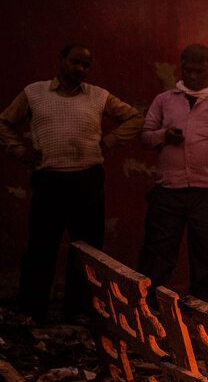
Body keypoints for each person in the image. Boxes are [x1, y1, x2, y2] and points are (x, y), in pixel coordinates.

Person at [0, 43, 143, 324]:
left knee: (87, 250)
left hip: (87, 180)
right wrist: (20, 151)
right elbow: (3, 123)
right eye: (75, 62)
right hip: (49, 180)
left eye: (86, 65)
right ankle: (32, 311)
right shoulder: (34, 93)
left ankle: (79, 311)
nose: (81, 69)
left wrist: (110, 141)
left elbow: (135, 118)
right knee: (41, 247)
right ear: (61, 59)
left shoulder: (98, 96)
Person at [139, 44, 208, 305]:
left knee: (204, 255)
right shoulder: (164, 100)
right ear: (181, 67)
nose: (194, 76)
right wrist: (165, 135)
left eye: (200, 70)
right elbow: (144, 136)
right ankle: (150, 308)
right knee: (159, 254)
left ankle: (201, 313)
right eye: (189, 70)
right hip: (169, 190)